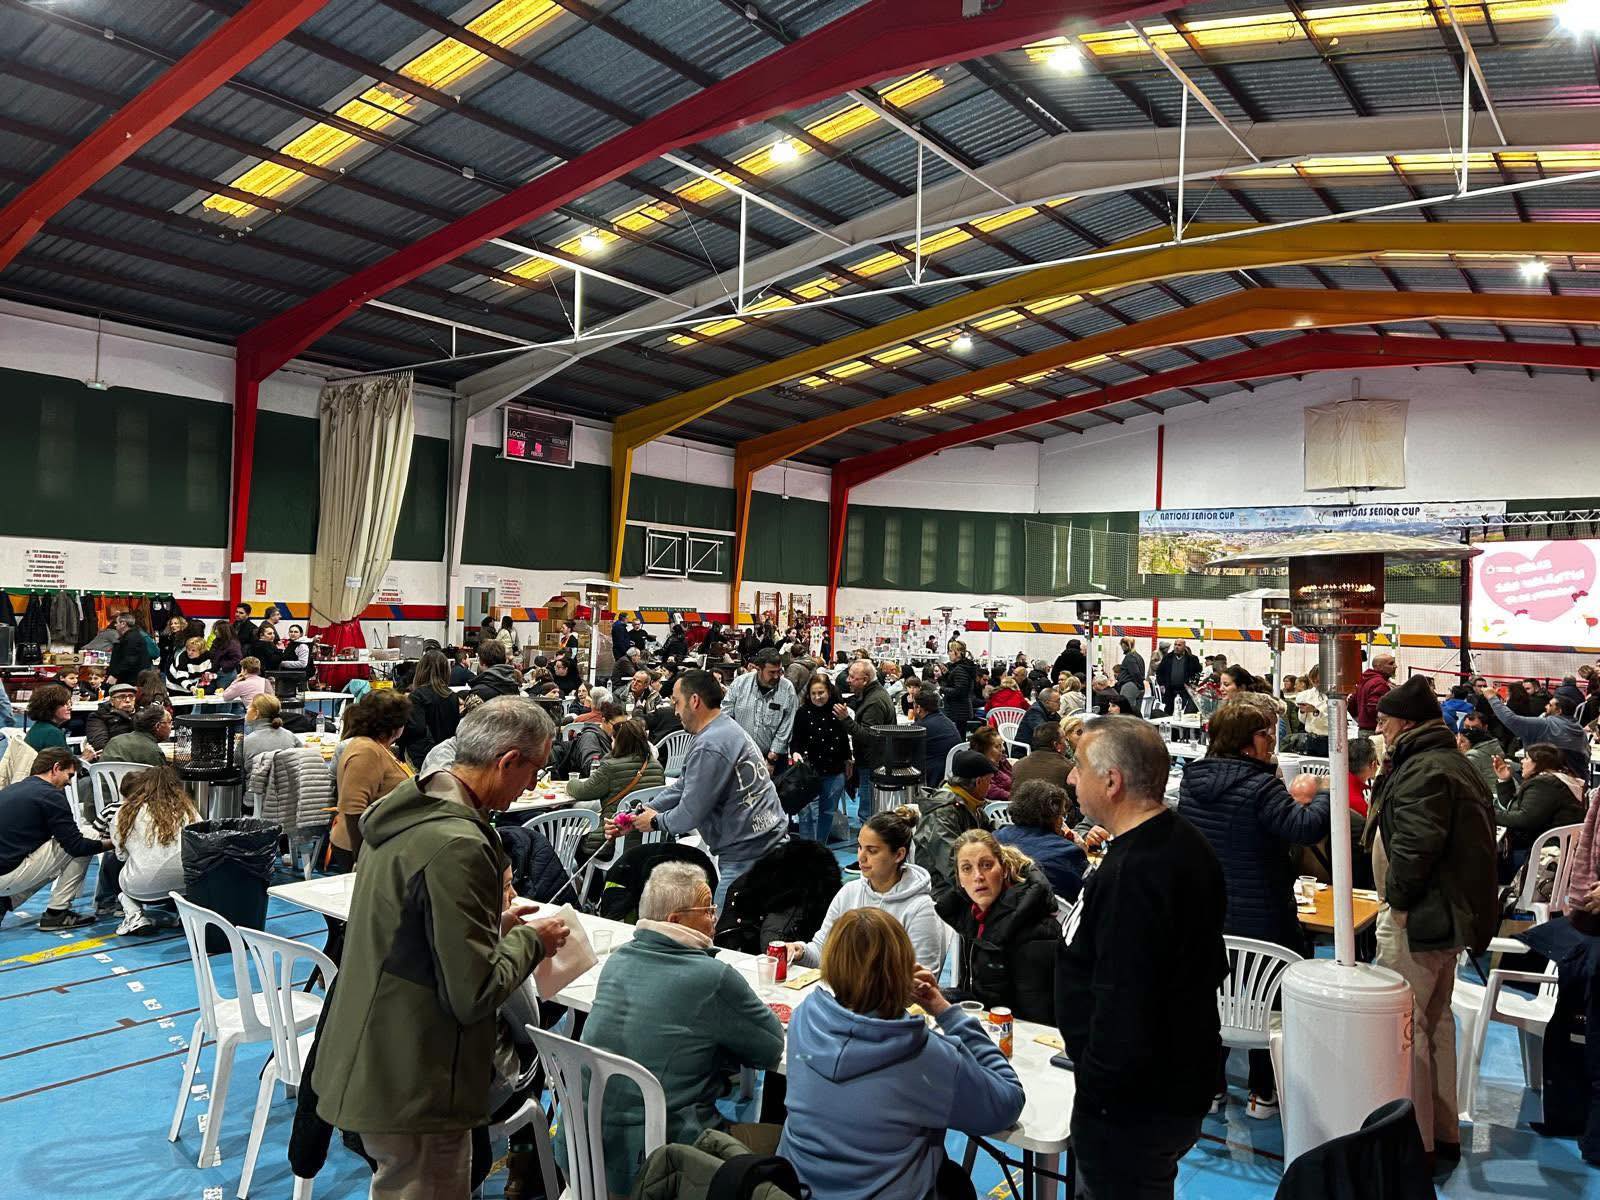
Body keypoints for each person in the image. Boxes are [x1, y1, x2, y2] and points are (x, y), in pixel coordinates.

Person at [312, 699, 570, 1197]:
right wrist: (529, 941)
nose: (533, 786)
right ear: (508, 761)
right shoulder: (459, 843)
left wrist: (487, 925)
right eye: (535, 770)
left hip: (377, 1051)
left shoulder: (411, 811)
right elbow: (472, 992)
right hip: (419, 1069)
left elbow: (414, 932)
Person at [1056, 717, 1228, 1200]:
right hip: (1168, 1083)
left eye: (1079, 767)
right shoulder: (1182, 843)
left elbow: (1124, 1000)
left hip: (1132, 1105)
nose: (1072, 778)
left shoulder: (1135, 874)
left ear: (1112, 781)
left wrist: (1099, 1095)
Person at [562, 860, 782, 1194]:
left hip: (582, 1153)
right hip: (670, 1162)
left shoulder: (617, 961)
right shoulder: (712, 978)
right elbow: (770, 1048)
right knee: (788, 1142)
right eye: (707, 909)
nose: (715, 918)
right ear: (676, 920)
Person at [779, 907, 1025, 1200]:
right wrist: (945, 1011)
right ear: (902, 967)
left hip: (794, 1188)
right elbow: (1007, 1101)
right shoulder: (922, 1055)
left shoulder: (805, 1018)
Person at [1366, 674, 1497, 1169]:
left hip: (1419, 919)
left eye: (1383, 722)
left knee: (1409, 1029)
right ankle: (1441, 1134)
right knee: (1435, 1024)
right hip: (1444, 919)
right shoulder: (1448, 762)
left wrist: (1395, 903)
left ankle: (1413, 1143)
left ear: (1403, 723)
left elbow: (1415, 847)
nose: (1379, 730)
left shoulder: (1424, 769)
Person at [1179, 696, 1330, 1118]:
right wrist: (1316, 796)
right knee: (1270, 996)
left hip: (1207, 914)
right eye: (1266, 734)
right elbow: (1304, 829)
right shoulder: (1261, 788)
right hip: (1263, 916)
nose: (1271, 741)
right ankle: (1264, 1091)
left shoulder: (1192, 780)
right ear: (1248, 742)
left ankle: (1211, 1087)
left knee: (1213, 996)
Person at [605, 670, 785, 906]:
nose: (676, 711)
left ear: (695, 701)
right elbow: (682, 786)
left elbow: (689, 815)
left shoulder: (710, 744)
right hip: (766, 844)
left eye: (677, 703)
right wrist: (638, 814)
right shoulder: (726, 728)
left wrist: (655, 821)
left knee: (723, 933)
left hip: (748, 855)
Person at [783, 808, 944, 971]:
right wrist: (801, 952)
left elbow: (922, 980)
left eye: (872, 850)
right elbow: (822, 951)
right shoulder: (849, 892)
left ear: (899, 855)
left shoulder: (921, 908)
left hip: (890, 996)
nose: (861, 857)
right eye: (860, 847)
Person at [937, 829, 1058, 1023]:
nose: (978, 876)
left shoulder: (1033, 929)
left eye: (986, 865)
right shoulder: (972, 915)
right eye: (967, 868)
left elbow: (1037, 1019)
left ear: (1003, 869)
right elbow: (982, 994)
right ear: (959, 879)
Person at [0, 748, 110, 929]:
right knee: (87, 835)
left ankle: (4, 902)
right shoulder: (51, 795)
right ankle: (57, 913)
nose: (68, 783)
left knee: (51, 855)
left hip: (6, 868)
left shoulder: (13, 789)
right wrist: (113, 843)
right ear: (56, 768)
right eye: (69, 775)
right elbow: (76, 846)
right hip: (6, 877)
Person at [109, 765, 197, 936]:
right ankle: (185, 913)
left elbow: (120, 855)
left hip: (141, 887)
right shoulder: (188, 809)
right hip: (187, 883)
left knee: (114, 862)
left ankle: (134, 914)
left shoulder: (124, 812)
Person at [331, 690, 412, 871]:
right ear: (395, 725)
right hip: (362, 848)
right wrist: (361, 858)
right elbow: (353, 808)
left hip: (379, 844)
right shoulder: (367, 751)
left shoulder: (378, 748)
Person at [1492, 741, 1586, 883]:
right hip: (1555, 852)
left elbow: (1523, 820)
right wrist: (1505, 780)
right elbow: (1515, 810)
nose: (1522, 761)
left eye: (1527, 758)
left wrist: (1487, 812)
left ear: (1539, 763)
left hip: (1542, 856)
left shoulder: (1546, 784)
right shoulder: (1557, 779)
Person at [912, 749, 996, 902]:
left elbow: (994, 835)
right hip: (940, 890)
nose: (990, 787)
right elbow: (952, 867)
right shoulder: (943, 813)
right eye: (989, 781)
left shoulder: (969, 803)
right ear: (978, 782)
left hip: (962, 880)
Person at [996, 779, 1089, 899]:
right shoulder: (1068, 852)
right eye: (1061, 814)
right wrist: (1082, 851)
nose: (1062, 820)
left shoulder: (994, 838)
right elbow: (1087, 894)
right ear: (1056, 818)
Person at [788, 673, 852, 844]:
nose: (817, 697)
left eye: (821, 692)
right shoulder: (802, 713)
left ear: (829, 692)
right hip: (809, 772)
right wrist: (795, 752)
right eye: (814, 693)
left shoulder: (839, 711)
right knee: (806, 814)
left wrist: (848, 759)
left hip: (834, 770)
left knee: (827, 812)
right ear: (808, 694)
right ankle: (807, 852)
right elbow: (796, 741)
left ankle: (820, 847)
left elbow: (845, 738)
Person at [833, 658, 896, 821]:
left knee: (868, 813)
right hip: (874, 761)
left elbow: (869, 736)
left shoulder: (874, 702)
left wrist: (846, 719)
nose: (848, 680)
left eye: (852, 677)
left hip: (872, 763)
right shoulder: (875, 695)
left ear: (865, 680)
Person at [1486, 685, 1591, 778]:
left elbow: (1511, 719)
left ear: (1559, 711)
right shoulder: (1579, 730)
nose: (1545, 706)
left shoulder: (1545, 724)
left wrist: (1492, 698)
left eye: (1550, 705)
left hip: (1547, 782)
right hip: (1577, 781)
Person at [722, 648, 797, 768]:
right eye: (772, 672)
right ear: (758, 669)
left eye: (779, 671)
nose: (777, 676)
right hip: (741, 756)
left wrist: (772, 758)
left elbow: (787, 724)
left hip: (774, 759)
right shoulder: (740, 684)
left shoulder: (787, 688)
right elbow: (726, 717)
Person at [401, 647, 462, 769]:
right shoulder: (453, 697)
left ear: (421, 670)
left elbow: (416, 729)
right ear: (446, 671)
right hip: (445, 756)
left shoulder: (416, 696)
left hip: (422, 759)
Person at [908, 686, 961, 787]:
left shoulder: (921, 728)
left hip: (933, 776)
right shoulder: (946, 721)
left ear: (918, 708)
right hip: (950, 773)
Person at [242, 693, 301, 771]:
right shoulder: (290, 736)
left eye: (249, 707)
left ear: (257, 713)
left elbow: (237, 763)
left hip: (257, 782)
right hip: (287, 782)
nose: (247, 709)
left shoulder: (246, 742)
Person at [101, 704, 170, 767]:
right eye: (169, 722)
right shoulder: (153, 752)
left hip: (99, 780)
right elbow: (160, 779)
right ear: (158, 726)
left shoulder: (115, 740)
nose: (171, 726)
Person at [24, 684, 79, 755]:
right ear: (50, 707)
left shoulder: (38, 727)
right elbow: (65, 765)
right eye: (64, 704)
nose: (70, 707)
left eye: (69, 703)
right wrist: (85, 758)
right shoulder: (53, 733)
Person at [84, 682, 138, 752]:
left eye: (131, 696)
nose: (127, 700)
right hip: (114, 757)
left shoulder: (143, 714)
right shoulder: (98, 716)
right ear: (112, 701)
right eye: (122, 697)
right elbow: (99, 745)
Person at [940, 639, 980, 731]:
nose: (949, 653)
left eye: (950, 651)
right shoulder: (962, 667)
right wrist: (947, 675)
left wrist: (941, 689)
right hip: (960, 710)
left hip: (958, 710)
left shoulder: (960, 669)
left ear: (958, 653)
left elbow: (959, 691)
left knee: (958, 738)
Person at [1351, 653, 1396, 733]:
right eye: (1391, 663)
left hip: (1363, 730)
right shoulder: (1379, 683)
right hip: (1375, 731)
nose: (1395, 666)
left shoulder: (1364, 681)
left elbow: (1351, 705)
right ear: (1379, 667)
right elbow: (1374, 708)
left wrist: (1362, 721)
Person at [1155, 637, 1201, 716]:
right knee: (1168, 713)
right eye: (1175, 645)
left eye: (1179, 645)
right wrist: (1162, 685)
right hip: (1170, 690)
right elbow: (1159, 672)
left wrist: (1193, 683)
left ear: (1184, 647)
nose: (1176, 647)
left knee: (1184, 713)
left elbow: (1198, 672)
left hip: (1185, 691)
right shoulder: (1167, 658)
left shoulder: (1192, 659)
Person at [969, 724, 1015, 803]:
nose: (1003, 749)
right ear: (984, 750)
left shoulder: (1001, 761)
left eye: (1002, 745)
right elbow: (992, 792)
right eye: (997, 746)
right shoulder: (981, 771)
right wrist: (1019, 798)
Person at [1458, 725, 1500, 794]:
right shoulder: (1487, 750)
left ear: (1472, 742)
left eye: (1462, 741)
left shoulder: (1472, 757)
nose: (1458, 744)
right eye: (1457, 739)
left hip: (1492, 797)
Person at [1114, 636, 1146, 714]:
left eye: (1121, 645)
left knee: (1125, 710)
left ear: (1124, 645)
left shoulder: (1130, 657)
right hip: (1134, 686)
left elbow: (1135, 673)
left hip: (1129, 686)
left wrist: (1140, 685)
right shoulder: (1138, 656)